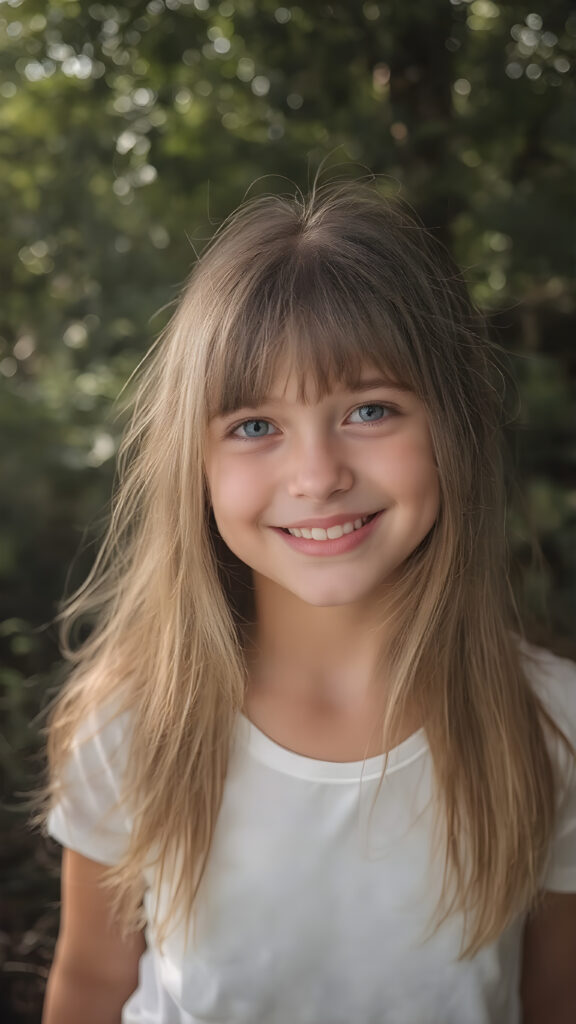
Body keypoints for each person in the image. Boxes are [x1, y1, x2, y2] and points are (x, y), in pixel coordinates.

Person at [41, 178, 576, 1024]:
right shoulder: (137, 721)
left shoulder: (550, 726)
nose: (318, 476)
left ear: (453, 429)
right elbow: (90, 985)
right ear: (195, 465)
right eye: (255, 426)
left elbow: (554, 998)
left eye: (370, 410)